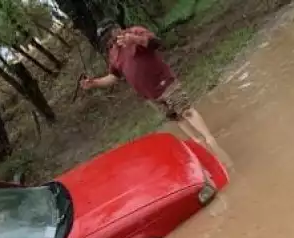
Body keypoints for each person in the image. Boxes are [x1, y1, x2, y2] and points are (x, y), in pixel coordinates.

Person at [81, 21, 231, 166]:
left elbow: (155, 42)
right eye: (105, 38)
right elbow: (114, 76)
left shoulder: (135, 32)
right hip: (150, 95)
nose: (110, 39)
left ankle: (210, 139)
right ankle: (199, 144)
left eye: (109, 34)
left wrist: (134, 40)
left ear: (116, 29)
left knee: (186, 111)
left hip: (165, 83)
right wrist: (94, 83)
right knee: (176, 118)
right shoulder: (113, 53)